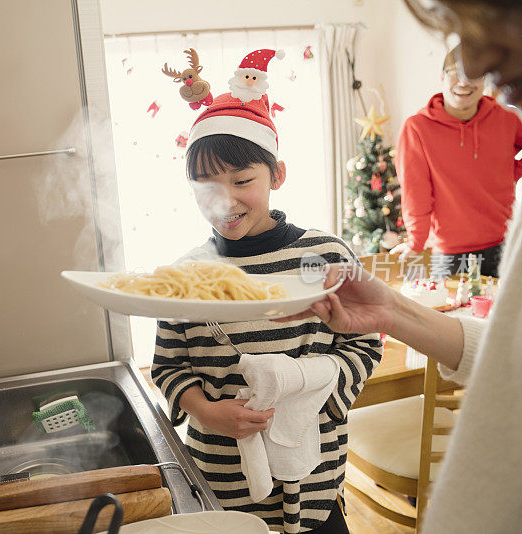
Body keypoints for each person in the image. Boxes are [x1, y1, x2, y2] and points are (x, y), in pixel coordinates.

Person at [278, 3, 522, 531]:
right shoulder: (420, 127)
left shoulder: (504, 121)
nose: (475, 67)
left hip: (500, 239)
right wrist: (395, 306)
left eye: (499, 26)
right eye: (457, 53)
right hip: (453, 248)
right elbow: (511, 355)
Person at [151, 56, 383, 534]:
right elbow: (169, 367)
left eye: (242, 182)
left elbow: (366, 342)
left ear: (276, 175)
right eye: (207, 188)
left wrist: (309, 392)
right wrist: (208, 412)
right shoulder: (186, 275)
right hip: (221, 478)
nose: (226, 201)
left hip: (316, 477)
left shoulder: (326, 254)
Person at [392, 45, 522, 278]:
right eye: (455, 72)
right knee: (453, 314)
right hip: (449, 254)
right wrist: (416, 241)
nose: (464, 82)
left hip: (503, 243)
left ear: (486, 80)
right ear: (442, 77)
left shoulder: (507, 119)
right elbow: (416, 192)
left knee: (505, 314)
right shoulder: (417, 128)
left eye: (474, 74)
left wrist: (511, 171)